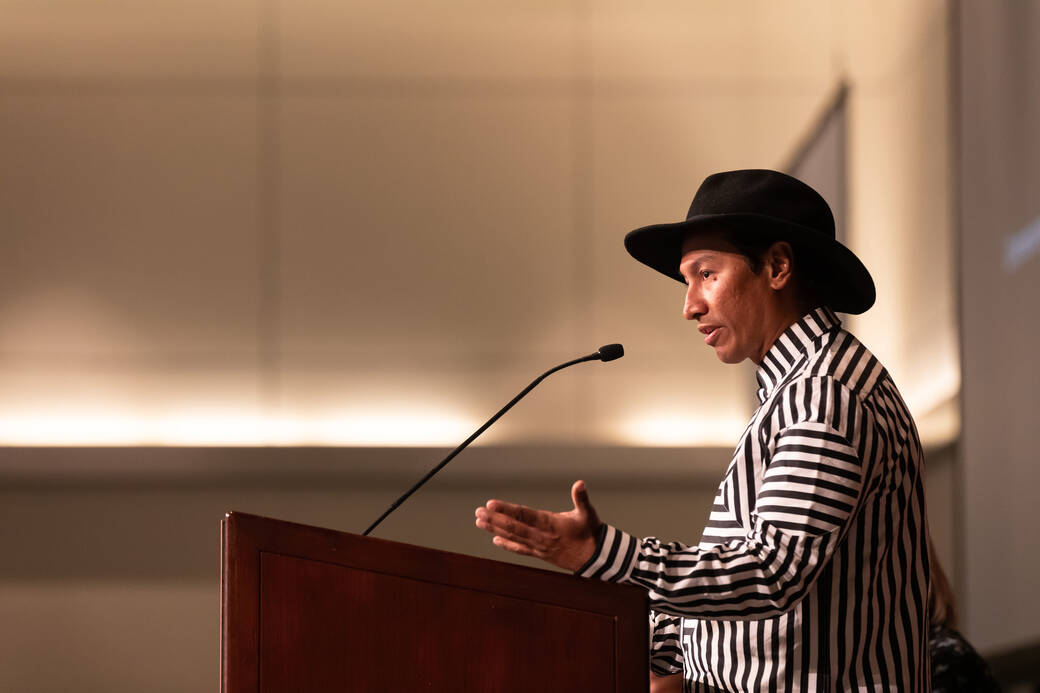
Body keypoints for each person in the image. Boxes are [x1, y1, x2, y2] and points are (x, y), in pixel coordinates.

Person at [475, 169, 931, 692]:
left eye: (706, 274)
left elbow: (770, 572)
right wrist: (638, 644)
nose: (689, 305)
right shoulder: (798, 389)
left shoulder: (824, 393)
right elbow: (756, 605)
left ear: (778, 266)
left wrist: (601, 554)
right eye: (687, 280)